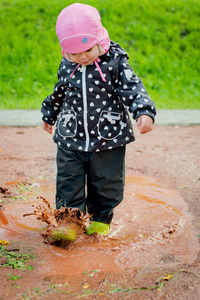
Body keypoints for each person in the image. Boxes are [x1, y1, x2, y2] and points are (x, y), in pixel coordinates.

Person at [41, 3, 156, 238]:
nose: (81, 57)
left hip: (107, 137)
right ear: (65, 50)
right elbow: (60, 91)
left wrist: (143, 110)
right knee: (68, 179)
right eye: (73, 53)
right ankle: (68, 222)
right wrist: (50, 112)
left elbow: (132, 87)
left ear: (99, 40)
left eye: (87, 50)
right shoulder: (68, 64)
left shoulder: (114, 62)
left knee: (106, 183)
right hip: (71, 135)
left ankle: (101, 219)